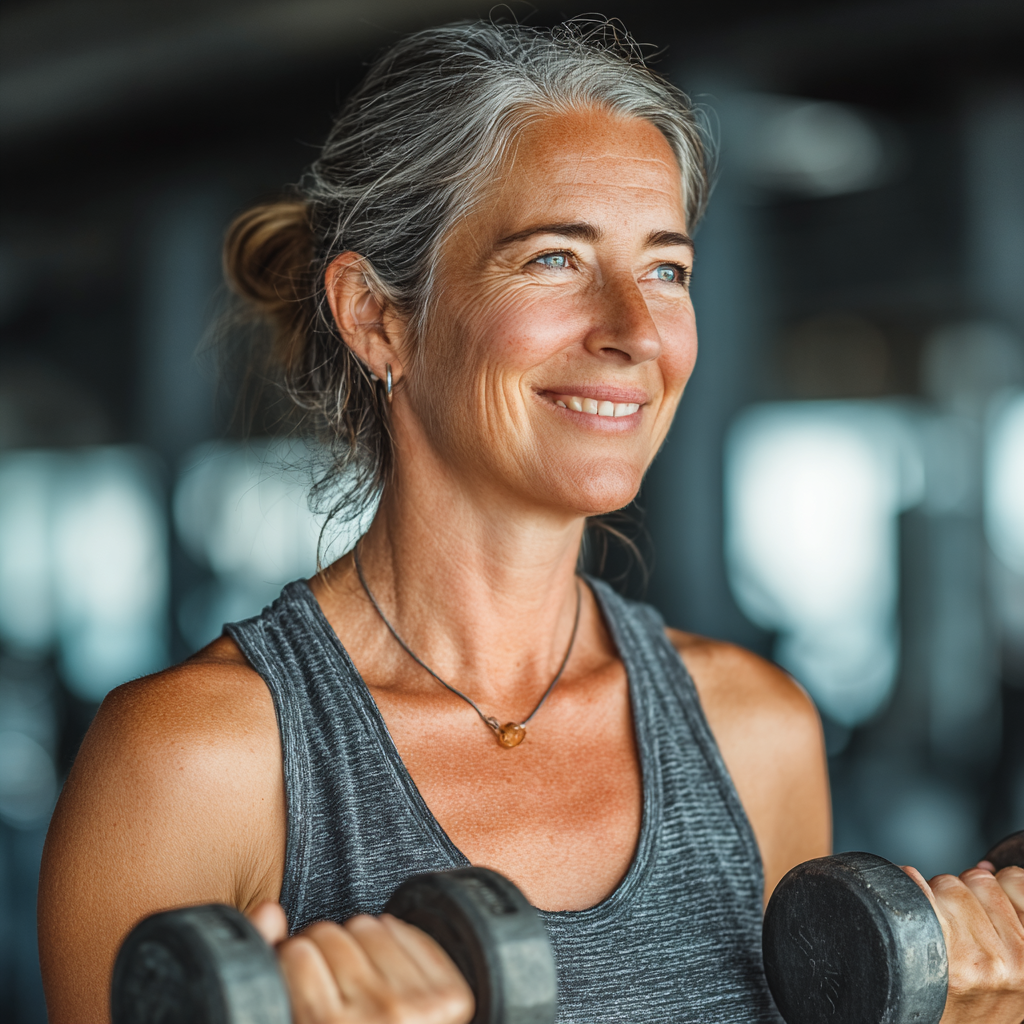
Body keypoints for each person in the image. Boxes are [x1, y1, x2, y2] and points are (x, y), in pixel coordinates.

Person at [37, 19, 1024, 1024]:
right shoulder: (193, 761)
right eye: (554, 259)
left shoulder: (753, 729)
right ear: (377, 316)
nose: (635, 331)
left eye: (666, 270)